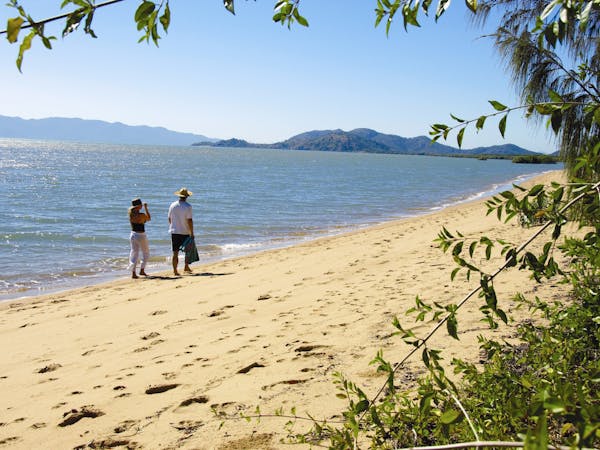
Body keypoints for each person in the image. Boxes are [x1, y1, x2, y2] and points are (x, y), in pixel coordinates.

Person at [168, 187, 194, 276]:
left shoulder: (172, 205)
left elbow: (169, 218)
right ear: (187, 196)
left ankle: (175, 271)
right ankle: (186, 266)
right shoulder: (188, 206)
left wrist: (173, 226)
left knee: (175, 253)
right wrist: (192, 232)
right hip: (185, 231)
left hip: (174, 231)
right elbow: (189, 220)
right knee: (187, 251)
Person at [128, 198, 151, 279]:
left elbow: (131, 209)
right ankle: (142, 270)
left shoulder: (130, 214)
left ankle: (133, 273)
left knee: (134, 253)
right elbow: (149, 218)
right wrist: (146, 208)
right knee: (146, 253)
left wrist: (140, 206)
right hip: (141, 235)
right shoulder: (142, 215)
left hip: (133, 234)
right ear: (139, 206)